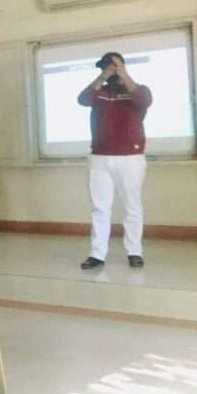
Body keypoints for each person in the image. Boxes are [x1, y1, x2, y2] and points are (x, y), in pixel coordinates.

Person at [77, 52, 153, 269]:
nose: (109, 71)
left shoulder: (138, 90)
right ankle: (97, 254)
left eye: (112, 66)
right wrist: (103, 76)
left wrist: (123, 74)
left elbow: (144, 100)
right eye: (105, 67)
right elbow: (82, 99)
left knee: (132, 206)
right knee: (99, 208)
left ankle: (134, 252)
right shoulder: (99, 92)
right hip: (99, 158)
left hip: (131, 158)